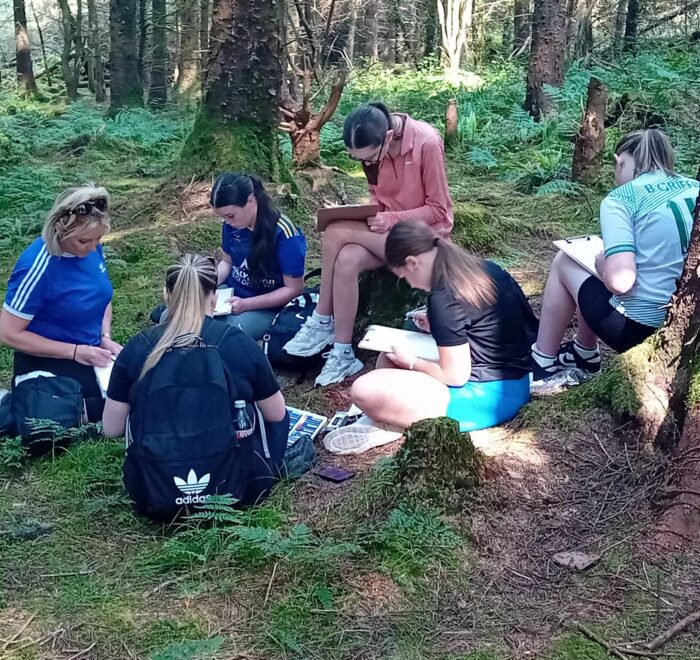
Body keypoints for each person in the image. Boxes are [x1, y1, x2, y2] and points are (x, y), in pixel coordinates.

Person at [102, 254, 289, 518]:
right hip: (239, 489)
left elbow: (111, 428)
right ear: (214, 294)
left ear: (166, 294)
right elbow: (276, 415)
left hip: (153, 494)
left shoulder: (138, 348)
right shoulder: (237, 343)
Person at [323, 222, 532, 455]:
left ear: (413, 262)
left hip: (485, 398)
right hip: (516, 381)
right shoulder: (483, 268)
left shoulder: (445, 298)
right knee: (386, 360)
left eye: (404, 276)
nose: (410, 284)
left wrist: (411, 362)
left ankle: (392, 423)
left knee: (364, 389)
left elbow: (455, 375)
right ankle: (394, 418)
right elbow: (479, 326)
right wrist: (437, 326)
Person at [284, 102, 454, 386]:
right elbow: (378, 197)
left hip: (425, 240)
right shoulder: (371, 155)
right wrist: (370, 214)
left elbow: (440, 210)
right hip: (390, 235)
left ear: (387, 136)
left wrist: (390, 219)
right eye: (358, 159)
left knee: (336, 232)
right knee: (348, 256)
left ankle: (321, 318)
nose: (367, 163)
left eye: (370, 157)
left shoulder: (426, 142)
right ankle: (342, 352)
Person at [531, 129, 700, 381]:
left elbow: (620, 281)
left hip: (642, 330)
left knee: (565, 260)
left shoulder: (621, 198)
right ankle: (583, 353)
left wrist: (602, 264)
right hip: (690, 327)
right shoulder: (694, 186)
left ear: (619, 161)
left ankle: (541, 361)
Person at [0, 185, 120, 422]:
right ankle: (13, 403)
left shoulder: (92, 249)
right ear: (60, 230)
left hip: (91, 350)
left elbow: (102, 296)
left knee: (128, 393)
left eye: (98, 239)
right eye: (84, 240)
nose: (93, 247)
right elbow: (8, 334)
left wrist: (105, 337)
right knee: (50, 422)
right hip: (50, 356)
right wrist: (75, 352)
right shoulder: (37, 266)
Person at [210, 172, 306, 340]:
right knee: (184, 315)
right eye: (223, 217)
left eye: (230, 215)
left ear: (251, 200)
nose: (227, 222)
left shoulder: (285, 234)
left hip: (265, 306)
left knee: (226, 335)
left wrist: (246, 304)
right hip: (229, 295)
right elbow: (227, 262)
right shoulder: (231, 226)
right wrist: (207, 285)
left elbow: (294, 289)